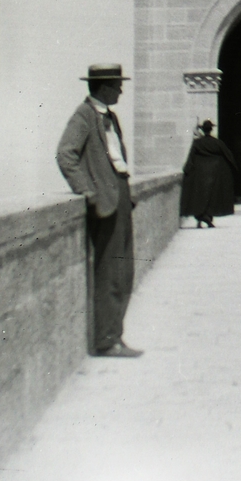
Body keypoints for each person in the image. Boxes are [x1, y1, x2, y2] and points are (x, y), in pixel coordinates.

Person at [56, 63, 142, 357]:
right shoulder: (83, 115)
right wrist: (87, 191)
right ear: (104, 87)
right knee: (110, 272)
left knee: (124, 271)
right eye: (118, 85)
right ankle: (107, 340)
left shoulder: (110, 117)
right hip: (105, 202)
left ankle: (115, 334)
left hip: (120, 195)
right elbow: (66, 154)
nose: (121, 90)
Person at [180, 119, 237, 228]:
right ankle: (207, 217)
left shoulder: (197, 143)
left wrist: (187, 172)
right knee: (211, 197)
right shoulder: (217, 143)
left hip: (199, 174)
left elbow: (190, 159)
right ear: (211, 130)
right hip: (215, 173)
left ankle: (201, 218)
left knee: (200, 196)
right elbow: (228, 156)